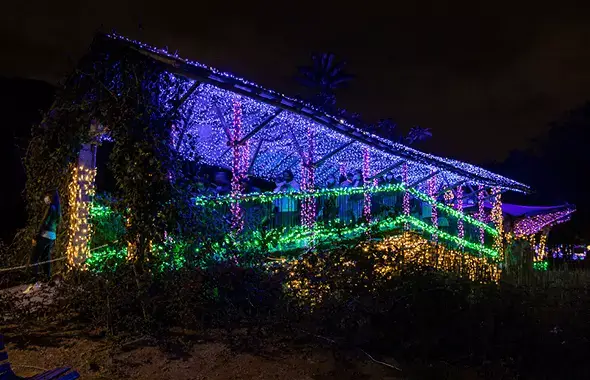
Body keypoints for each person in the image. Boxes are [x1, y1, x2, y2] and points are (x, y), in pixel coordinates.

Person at [24, 190, 61, 294]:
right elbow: (56, 224)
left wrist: (36, 235)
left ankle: (34, 283)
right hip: (52, 236)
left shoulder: (50, 208)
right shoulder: (57, 209)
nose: (46, 198)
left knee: (34, 259)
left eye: (47, 196)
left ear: (51, 197)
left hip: (44, 235)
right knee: (46, 257)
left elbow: (44, 222)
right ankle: (48, 279)